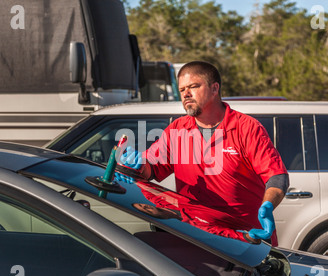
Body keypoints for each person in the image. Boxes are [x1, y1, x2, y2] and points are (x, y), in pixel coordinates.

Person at [118, 61, 289, 245]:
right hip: (196, 238)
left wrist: (268, 205)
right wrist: (136, 165)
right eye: (182, 89)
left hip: (247, 240)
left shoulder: (246, 128)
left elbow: (277, 177)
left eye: (193, 86)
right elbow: (150, 170)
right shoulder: (178, 129)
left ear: (215, 88)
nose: (186, 94)